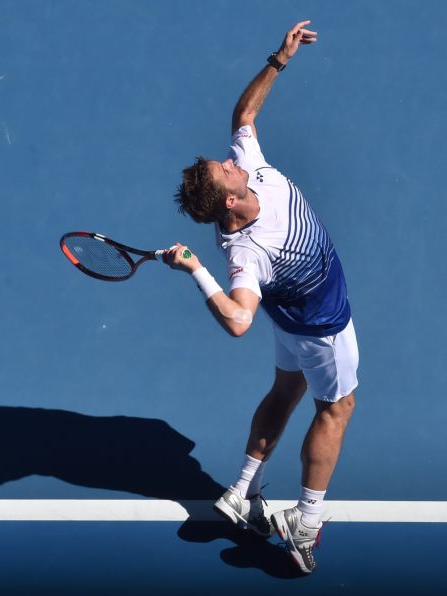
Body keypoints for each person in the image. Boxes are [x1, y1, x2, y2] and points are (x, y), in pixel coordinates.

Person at [159, 20, 358, 574]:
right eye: (224, 170)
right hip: (320, 324)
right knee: (337, 408)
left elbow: (243, 115)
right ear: (228, 201)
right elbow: (239, 320)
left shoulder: (248, 170)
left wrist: (279, 59)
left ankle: (242, 490)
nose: (231, 161)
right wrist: (198, 269)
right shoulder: (247, 252)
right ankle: (307, 520)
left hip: (289, 323)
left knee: (286, 388)